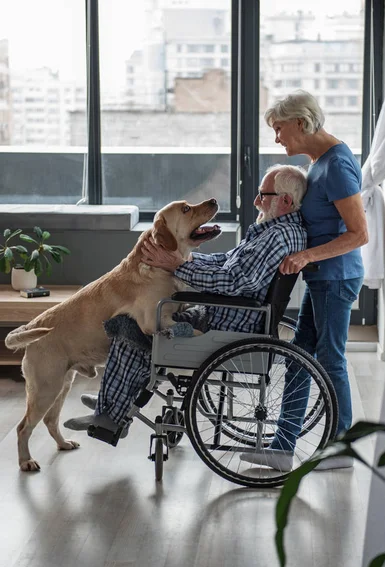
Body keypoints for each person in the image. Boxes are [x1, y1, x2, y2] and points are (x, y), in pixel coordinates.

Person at [64, 164, 308, 438]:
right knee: (132, 322)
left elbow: (234, 281)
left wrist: (178, 266)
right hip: (220, 318)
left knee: (139, 332)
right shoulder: (276, 231)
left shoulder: (276, 236)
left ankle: (111, 415)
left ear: (285, 200)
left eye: (263, 195)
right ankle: (112, 406)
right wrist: (177, 261)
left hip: (221, 330)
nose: (256, 201)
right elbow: (227, 263)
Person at [241, 89, 368, 472]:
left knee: (331, 360)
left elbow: (359, 234)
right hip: (320, 279)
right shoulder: (318, 162)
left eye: (279, 128)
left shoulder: (338, 165)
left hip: (335, 278)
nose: (277, 137)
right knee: (299, 359)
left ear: (300, 122)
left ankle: (341, 450)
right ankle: (282, 448)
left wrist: (306, 254)